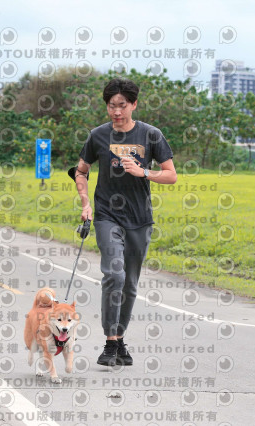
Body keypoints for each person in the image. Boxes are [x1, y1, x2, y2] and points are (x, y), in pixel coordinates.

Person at [72, 78, 177, 367]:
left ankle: (119, 339)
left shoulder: (151, 135)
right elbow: (80, 171)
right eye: (111, 106)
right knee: (114, 275)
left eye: (122, 105)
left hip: (140, 219)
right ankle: (110, 343)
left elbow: (171, 174)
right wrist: (85, 203)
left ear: (134, 104)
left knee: (129, 283)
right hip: (107, 216)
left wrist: (144, 172)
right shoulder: (97, 135)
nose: (116, 112)